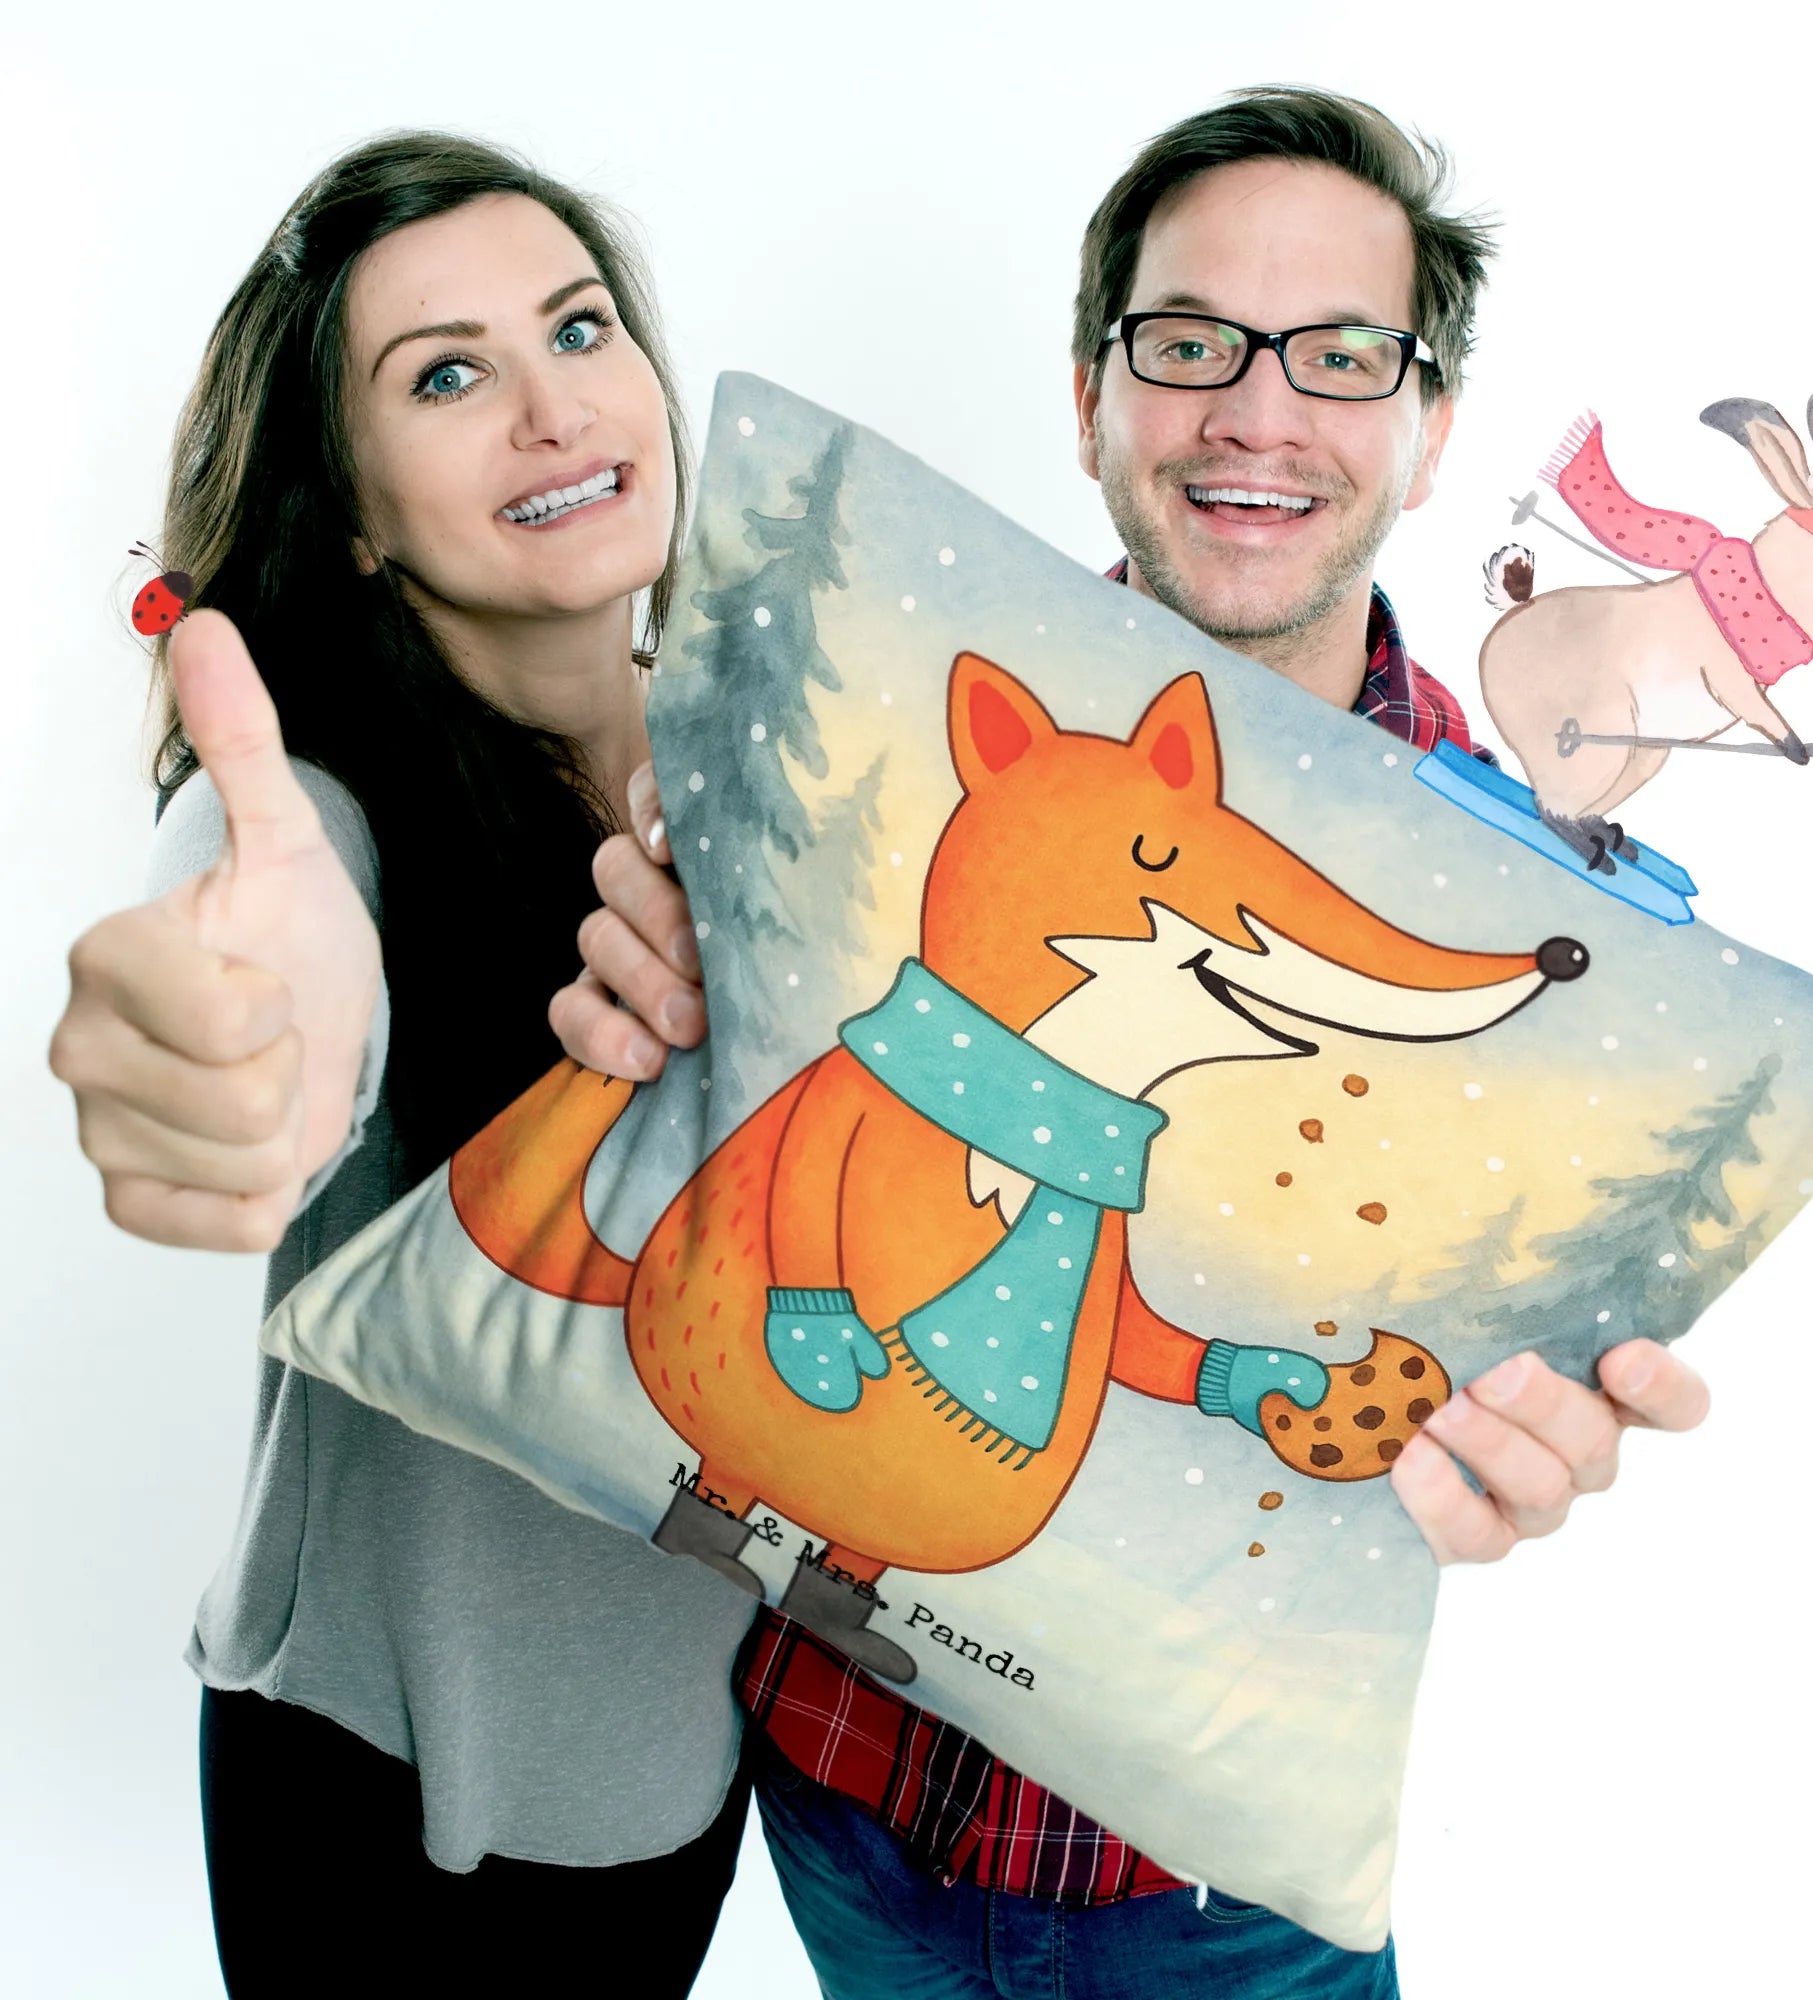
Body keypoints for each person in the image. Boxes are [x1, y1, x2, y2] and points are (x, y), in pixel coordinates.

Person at [553, 87, 1713, 1998]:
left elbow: (1454, 1366)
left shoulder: (1532, 926)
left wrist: (1524, 1436)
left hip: (1223, 1892)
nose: (1259, 412)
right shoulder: (865, 741)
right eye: (1190, 344)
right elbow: (744, 1154)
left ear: (1429, 433)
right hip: (837, 1802)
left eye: (1342, 354)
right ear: (1091, 397)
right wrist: (639, 1001)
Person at [47, 135, 747, 1996]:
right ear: (353, 514)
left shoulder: (758, 768)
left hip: (685, 1762)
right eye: (445, 375)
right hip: (391, 1799)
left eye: (577, 329)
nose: (551, 409)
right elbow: (259, 928)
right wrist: (231, 1032)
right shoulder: (321, 811)